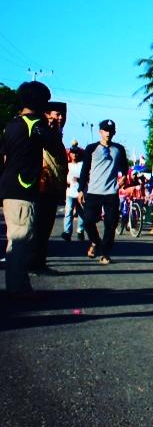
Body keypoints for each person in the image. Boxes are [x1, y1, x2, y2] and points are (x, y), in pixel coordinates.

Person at [0, 81, 64, 299]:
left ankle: (19, 284)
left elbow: (5, 156)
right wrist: (50, 128)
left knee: (16, 237)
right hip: (23, 188)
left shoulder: (11, 124)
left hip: (9, 187)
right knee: (20, 238)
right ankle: (17, 289)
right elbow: (55, 147)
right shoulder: (34, 124)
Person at [77, 119, 129, 265]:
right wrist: (81, 189)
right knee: (88, 220)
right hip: (93, 191)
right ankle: (95, 241)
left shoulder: (119, 149)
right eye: (105, 130)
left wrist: (124, 177)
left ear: (114, 132)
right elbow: (84, 169)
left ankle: (105, 253)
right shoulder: (91, 148)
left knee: (111, 224)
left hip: (111, 192)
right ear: (100, 132)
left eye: (111, 130)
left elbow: (124, 167)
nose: (108, 133)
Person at [29, 101, 68, 274]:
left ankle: (39, 262)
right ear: (46, 114)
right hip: (41, 187)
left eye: (62, 115)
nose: (60, 118)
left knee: (45, 229)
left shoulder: (56, 133)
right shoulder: (42, 130)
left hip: (52, 188)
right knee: (38, 228)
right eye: (57, 114)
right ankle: (33, 263)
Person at [62, 147, 85, 241]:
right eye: (72, 153)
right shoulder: (67, 165)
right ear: (70, 154)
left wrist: (79, 179)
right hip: (69, 192)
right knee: (68, 211)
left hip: (80, 192)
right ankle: (67, 232)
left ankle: (80, 230)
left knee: (81, 212)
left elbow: (86, 176)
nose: (74, 155)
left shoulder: (82, 164)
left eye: (76, 153)